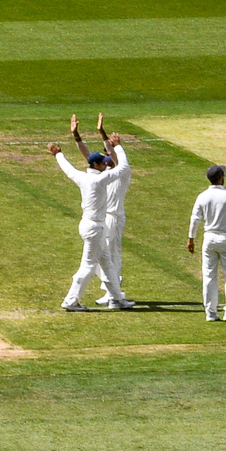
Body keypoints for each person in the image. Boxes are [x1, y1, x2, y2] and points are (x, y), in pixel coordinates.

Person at [48, 117, 127, 312]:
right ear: (99, 166)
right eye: (104, 163)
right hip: (95, 227)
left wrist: (59, 154)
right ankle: (70, 301)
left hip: (89, 225)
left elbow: (68, 169)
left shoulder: (84, 177)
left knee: (107, 263)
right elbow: (123, 167)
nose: (106, 165)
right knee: (88, 266)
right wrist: (118, 147)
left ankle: (118, 299)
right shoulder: (101, 180)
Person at [71, 114, 134, 308]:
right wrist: (77, 136)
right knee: (103, 258)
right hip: (101, 220)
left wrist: (105, 135)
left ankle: (114, 295)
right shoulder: (104, 175)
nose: (106, 162)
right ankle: (113, 293)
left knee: (112, 255)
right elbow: (88, 157)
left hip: (114, 218)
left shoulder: (122, 173)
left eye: (108, 160)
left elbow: (114, 156)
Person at [187, 163, 226, 322]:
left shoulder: (203, 196)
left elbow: (195, 218)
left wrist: (191, 238)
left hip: (209, 238)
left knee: (209, 276)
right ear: (221, 178)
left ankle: (211, 312)